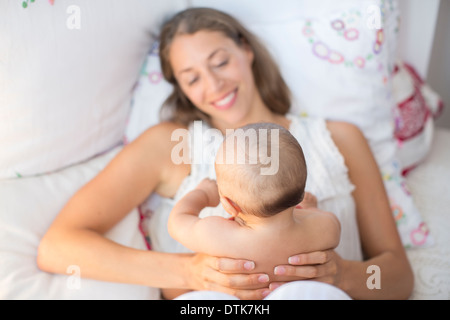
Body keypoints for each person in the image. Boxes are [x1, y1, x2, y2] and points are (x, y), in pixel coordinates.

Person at [37, 7, 414, 300]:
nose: (214, 84)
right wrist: (188, 272)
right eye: (192, 77)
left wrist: (341, 274)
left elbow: (398, 278)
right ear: (182, 90)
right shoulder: (169, 146)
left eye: (220, 61)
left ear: (246, 51)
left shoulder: (339, 139)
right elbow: (58, 247)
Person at [163, 122, 342, 300]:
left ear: (229, 205)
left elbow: (177, 222)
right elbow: (326, 221)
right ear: (301, 193)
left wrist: (202, 193)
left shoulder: (220, 235)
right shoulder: (323, 228)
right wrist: (310, 209)